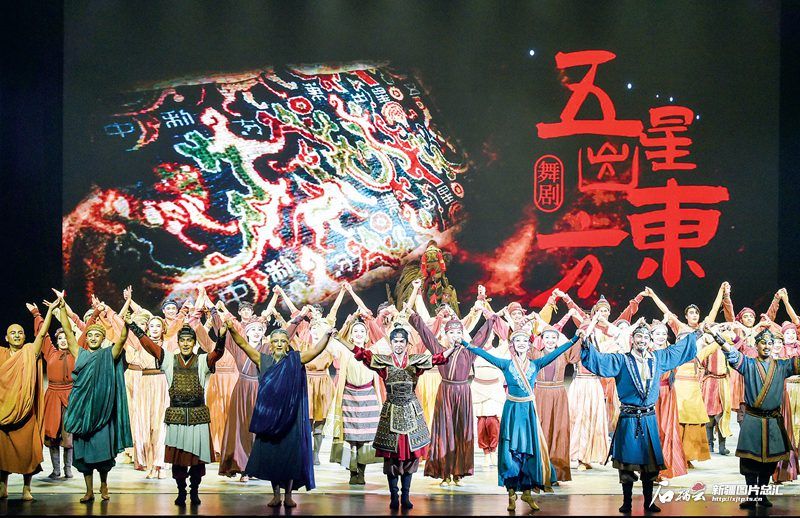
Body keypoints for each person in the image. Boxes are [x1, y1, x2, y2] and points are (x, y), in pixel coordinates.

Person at [579, 319, 708, 513]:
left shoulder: (657, 358)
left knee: (650, 464)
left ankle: (649, 502)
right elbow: (600, 361)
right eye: (638, 336)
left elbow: (678, 350)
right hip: (629, 418)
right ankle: (627, 502)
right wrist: (586, 343)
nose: (642, 340)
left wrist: (697, 333)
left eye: (646, 337)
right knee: (627, 464)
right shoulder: (621, 360)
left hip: (648, 418)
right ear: (632, 339)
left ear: (649, 340)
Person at [341, 318, 459, 510]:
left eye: (401, 341)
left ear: (407, 343)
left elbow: (437, 358)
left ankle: (405, 495)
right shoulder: (384, 362)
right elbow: (361, 354)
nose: (398, 344)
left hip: (411, 412)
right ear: (391, 343)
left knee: (410, 457)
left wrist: (453, 348)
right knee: (392, 457)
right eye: (395, 341)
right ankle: (394, 496)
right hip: (391, 412)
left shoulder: (415, 361)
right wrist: (340, 339)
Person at [464, 325, 585, 512]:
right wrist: (465, 343)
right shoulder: (506, 364)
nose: (521, 344)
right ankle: (511, 494)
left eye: (524, 341)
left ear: (529, 345)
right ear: (512, 345)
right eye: (517, 341)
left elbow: (558, 352)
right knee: (511, 452)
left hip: (528, 412)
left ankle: (527, 493)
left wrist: (574, 339)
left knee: (528, 451)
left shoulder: (536, 364)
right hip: (512, 411)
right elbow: (483, 354)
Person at [230, 323, 334, 508]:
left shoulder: (295, 359)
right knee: (273, 457)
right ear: (270, 344)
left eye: (283, 341)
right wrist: (231, 329)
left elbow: (316, 351)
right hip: (269, 419)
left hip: (290, 418)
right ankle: (276, 495)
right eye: (275, 341)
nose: (279, 344)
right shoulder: (263, 360)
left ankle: (288, 495)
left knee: (289, 457)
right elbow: (243, 344)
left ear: (288, 344)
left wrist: (327, 335)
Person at [129, 317, 225, 506]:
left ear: (194, 343)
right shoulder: (168, 360)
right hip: (177, 418)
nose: (186, 344)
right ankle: (181, 492)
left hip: (197, 418)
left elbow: (218, 353)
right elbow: (150, 347)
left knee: (197, 461)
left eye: (189, 340)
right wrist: (134, 328)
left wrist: (222, 338)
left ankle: (194, 491)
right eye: (183, 340)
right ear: (178, 343)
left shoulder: (203, 360)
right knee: (178, 462)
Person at [716, 327, 800, 508]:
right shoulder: (748, 364)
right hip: (753, 420)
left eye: (770, 343)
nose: (767, 346)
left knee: (769, 463)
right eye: (763, 343)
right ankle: (752, 496)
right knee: (749, 462)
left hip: (773, 421)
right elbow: (732, 355)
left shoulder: (782, 366)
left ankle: (762, 495)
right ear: (756, 345)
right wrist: (717, 337)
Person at [60, 297, 133, 503]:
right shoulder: (80, 353)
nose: (92, 338)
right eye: (90, 335)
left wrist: (127, 324)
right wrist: (62, 307)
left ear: (102, 339)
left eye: (96, 335)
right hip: (82, 412)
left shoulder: (109, 354)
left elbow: (122, 339)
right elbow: (68, 331)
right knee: (84, 456)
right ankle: (89, 490)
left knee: (102, 454)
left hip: (102, 412)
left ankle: (104, 484)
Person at [0, 299, 57, 500]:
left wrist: (48, 312)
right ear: (6, 338)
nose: (17, 335)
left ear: (25, 336)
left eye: (20, 332)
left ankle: (26, 488)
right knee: (3, 452)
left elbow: (42, 334)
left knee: (28, 452)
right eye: (13, 333)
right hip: (3, 412)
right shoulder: (1, 354)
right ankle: (3, 486)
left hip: (26, 412)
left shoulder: (30, 351)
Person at [328, 313, 384, 484]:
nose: (359, 334)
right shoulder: (344, 350)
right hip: (349, 396)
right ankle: (353, 472)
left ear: (366, 335)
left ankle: (362, 472)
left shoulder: (373, 351)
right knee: (351, 436)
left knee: (366, 435)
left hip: (368, 396)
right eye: (356, 331)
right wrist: (347, 323)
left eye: (362, 331)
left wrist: (369, 319)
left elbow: (387, 340)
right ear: (351, 335)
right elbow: (331, 344)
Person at [28, 303, 76, 480]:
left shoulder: (76, 353)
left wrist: (94, 315)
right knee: (52, 434)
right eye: (60, 338)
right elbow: (43, 334)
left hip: (70, 396)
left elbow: (85, 331)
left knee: (68, 435)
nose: (63, 340)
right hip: (53, 397)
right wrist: (36, 314)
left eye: (66, 337)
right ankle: (56, 470)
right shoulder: (50, 353)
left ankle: (68, 469)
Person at [650, 321, 688, 480]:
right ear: (651, 336)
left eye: (664, 334)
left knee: (666, 430)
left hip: (667, 394)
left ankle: (664, 467)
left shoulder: (671, 352)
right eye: (657, 333)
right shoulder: (646, 352)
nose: (661, 336)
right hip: (650, 395)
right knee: (652, 430)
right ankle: (650, 468)